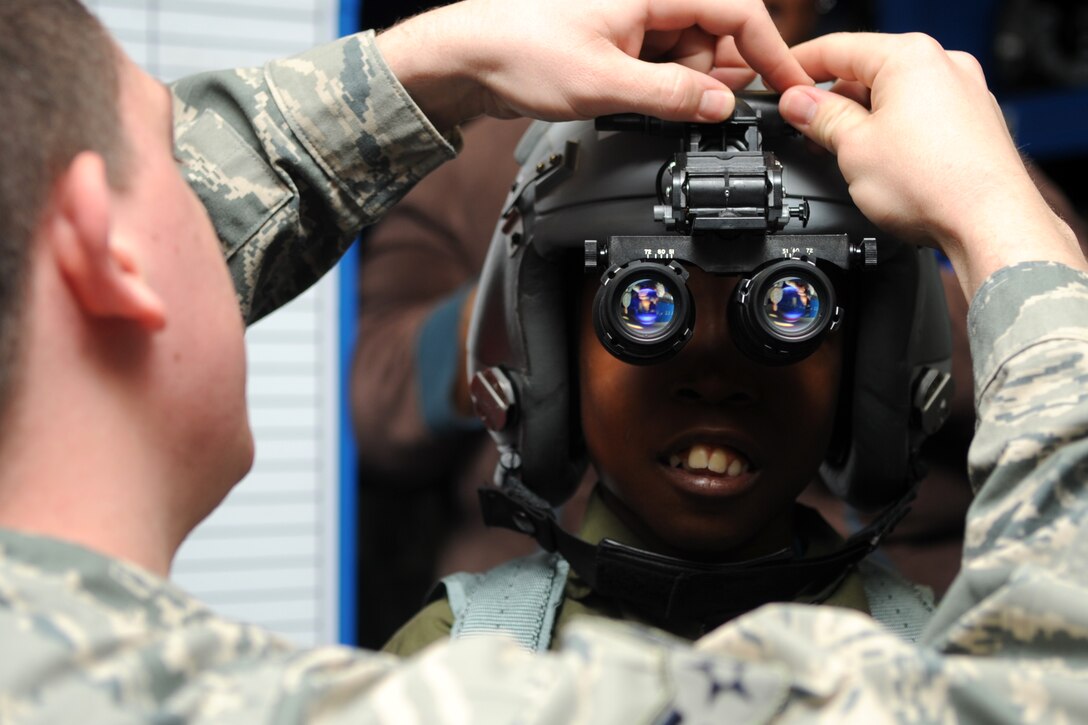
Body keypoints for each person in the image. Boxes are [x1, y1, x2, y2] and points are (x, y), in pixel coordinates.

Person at [2, 0, 1087, 721]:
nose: (710, 366)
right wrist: (1002, 223)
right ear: (103, 239)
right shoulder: (466, 673)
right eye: (175, 144)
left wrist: (440, 60)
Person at [382, 90, 947, 654]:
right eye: (643, 304)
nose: (715, 377)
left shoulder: (943, 670)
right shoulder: (456, 664)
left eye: (791, 306)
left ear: (866, 370)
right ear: (548, 365)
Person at [351, 0, 833, 649]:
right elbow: (374, 397)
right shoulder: (491, 154)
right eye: (646, 307)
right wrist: (526, 286)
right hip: (529, 599)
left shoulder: (885, 150)